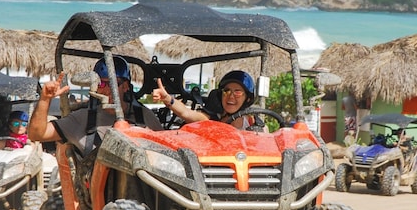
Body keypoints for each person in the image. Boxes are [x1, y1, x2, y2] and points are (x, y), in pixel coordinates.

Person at [28, 56, 161, 155]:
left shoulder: (144, 117)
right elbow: (36, 134)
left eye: (112, 84)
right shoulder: (82, 119)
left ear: (125, 86)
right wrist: (45, 99)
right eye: (101, 84)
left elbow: (164, 150)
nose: (106, 90)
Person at [151, 70, 261, 130]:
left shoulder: (254, 124)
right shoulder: (213, 119)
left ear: (247, 98)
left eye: (237, 92)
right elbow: (186, 113)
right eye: (227, 91)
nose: (231, 96)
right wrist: (167, 98)